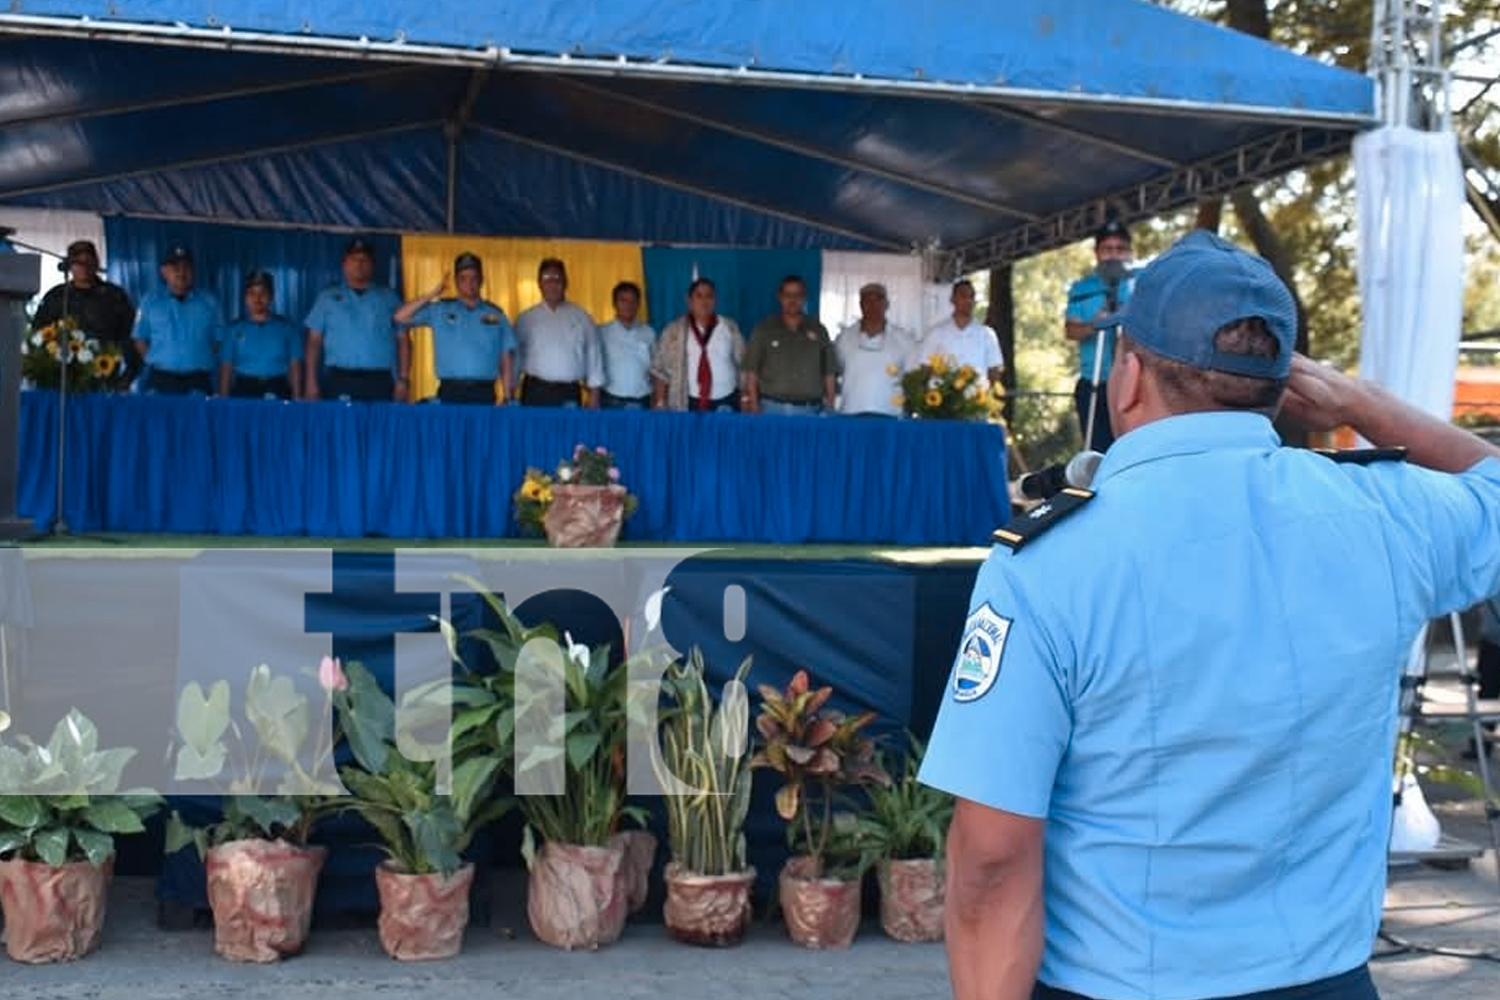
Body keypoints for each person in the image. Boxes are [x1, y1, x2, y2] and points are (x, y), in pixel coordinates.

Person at [918, 229, 1500, 1000]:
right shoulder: (1387, 516)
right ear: (1287, 383)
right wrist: (1362, 402)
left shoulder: (1047, 563)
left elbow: (992, 860)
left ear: (1126, 376)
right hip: (1326, 980)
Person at [393, 252, 516, 405]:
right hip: (450, 392)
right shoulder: (440, 309)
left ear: (481, 280)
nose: (469, 283)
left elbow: (506, 357)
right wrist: (432, 294)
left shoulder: (496, 314)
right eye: (463, 278)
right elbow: (400, 317)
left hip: (484, 393)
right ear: (456, 282)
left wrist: (508, 397)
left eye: (474, 278)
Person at [303, 238, 407, 403]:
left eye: (364, 260)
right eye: (354, 259)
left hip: (379, 380)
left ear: (373, 265)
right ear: (344, 264)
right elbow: (313, 341)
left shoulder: (389, 298)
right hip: (339, 379)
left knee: (379, 428)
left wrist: (402, 380)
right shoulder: (327, 297)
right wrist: (310, 381)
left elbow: (403, 340)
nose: (359, 264)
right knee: (341, 428)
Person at [1064, 220, 1136, 452]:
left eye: (1120, 249)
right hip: (1094, 383)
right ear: (1097, 253)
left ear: (1130, 253)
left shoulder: (1140, 284)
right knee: (1097, 450)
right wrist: (1095, 325)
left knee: (1131, 447)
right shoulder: (1082, 289)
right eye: (1107, 249)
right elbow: (1071, 330)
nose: (1114, 256)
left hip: (1134, 382)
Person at [31, 240, 138, 386]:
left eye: (88, 261)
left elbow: (131, 337)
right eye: (78, 262)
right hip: (61, 378)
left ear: (96, 263)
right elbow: (38, 334)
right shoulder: (56, 296)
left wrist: (127, 377)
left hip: (104, 376)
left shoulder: (115, 296)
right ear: (70, 266)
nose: (83, 267)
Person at [132, 245, 223, 396]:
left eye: (187, 267)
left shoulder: (209, 302)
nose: (181, 272)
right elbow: (139, 338)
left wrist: (195, 358)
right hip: (160, 380)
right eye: (175, 267)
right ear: (163, 271)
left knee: (197, 420)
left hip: (198, 380)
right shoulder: (149, 301)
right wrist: (160, 358)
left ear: (194, 271)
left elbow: (218, 341)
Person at [514, 258, 604, 408]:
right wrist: (509, 394)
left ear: (565, 283)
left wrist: (594, 398)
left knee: (569, 432)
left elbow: (593, 357)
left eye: (557, 278)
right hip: (535, 391)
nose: (552, 284)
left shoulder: (582, 317)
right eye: (547, 279)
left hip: (568, 392)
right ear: (539, 284)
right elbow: (515, 358)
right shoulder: (526, 318)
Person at [742, 275, 836, 415]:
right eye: (788, 294)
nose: (792, 299)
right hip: (771, 409)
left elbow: (829, 372)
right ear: (780, 297)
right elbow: (751, 372)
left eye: (797, 295)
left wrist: (830, 407)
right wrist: (754, 405)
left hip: (809, 411)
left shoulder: (819, 330)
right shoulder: (763, 329)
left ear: (804, 298)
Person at [650, 277, 745, 413]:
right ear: (689, 301)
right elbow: (660, 370)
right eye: (699, 296)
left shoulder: (729, 327)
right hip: (688, 401)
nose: (704, 301)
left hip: (727, 399)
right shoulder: (673, 331)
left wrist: (746, 398)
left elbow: (744, 365)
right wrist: (660, 401)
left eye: (709, 296)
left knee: (725, 435)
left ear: (715, 300)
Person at [218, 270, 302, 400]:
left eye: (263, 293)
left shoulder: (288, 328)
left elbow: (295, 365)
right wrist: (223, 399)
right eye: (252, 293)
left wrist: (297, 398)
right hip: (244, 388)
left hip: (277, 387)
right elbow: (226, 367)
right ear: (245, 298)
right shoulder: (233, 329)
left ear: (272, 296)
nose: (257, 298)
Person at [833, 282, 912, 417]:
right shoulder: (843, 338)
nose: (872, 305)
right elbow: (833, 374)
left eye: (878, 300)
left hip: (891, 415)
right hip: (851, 414)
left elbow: (912, 380)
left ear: (886, 304)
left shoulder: (905, 340)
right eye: (867, 301)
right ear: (860, 305)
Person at [918, 279, 1004, 387]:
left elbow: (995, 370)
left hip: (977, 399)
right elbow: (925, 369)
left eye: (972, 296)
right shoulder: (935, 333)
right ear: (952, 299)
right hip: (944, 399)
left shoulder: (987, 334)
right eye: (963, 295)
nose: (968, 300)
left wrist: (988, 396)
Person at [597, 281, 656, 409]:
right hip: (611, 400)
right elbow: (593, 369)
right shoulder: (602, 332)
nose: (628, 305)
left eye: (633, 301)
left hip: (643, 400)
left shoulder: (648, 332)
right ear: (614, 303)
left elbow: (655, 369)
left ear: (638, 304)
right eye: (623, 300)